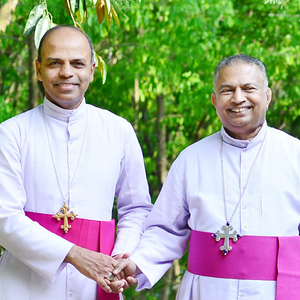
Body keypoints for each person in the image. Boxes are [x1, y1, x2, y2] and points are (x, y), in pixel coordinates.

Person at [111, 54, 300, 300]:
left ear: (267, 96)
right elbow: (165, 229)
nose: (238, 98)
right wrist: (137, 263)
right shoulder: (191, 159)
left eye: (248, 88)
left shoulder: (294, 155)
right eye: (227, 90)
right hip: (205, 291)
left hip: (277, 292)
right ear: (214, 100)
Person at [0, 25, 152, 300]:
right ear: (38, 69)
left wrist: (118, 259)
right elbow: (4, 218)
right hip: (24, 285)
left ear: (92, 69)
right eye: (54, 63)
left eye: (77, 63)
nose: (66, 72)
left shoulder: (119, 131)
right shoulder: (11, 133)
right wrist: (73, 254)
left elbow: (137, 208)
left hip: (98, 281)